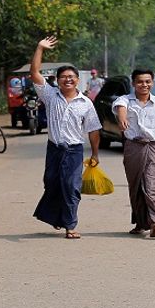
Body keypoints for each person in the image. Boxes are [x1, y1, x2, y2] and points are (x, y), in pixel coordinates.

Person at [29, 36, 102, 239]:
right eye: (63, 77)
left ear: (78, 80)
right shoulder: (50, 95)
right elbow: (34, 72)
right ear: (57, 80)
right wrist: (40, 47)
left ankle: (70, 224)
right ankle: (57, 217)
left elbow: (93, 130)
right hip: (54, 149)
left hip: (74, 150)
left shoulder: (86, 103)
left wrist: (95, 153)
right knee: (51, 184)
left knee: (71, 186)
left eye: (71, 76)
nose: (68, 79)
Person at [113, 69, 155, 238]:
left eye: (148, 81)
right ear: (134, 83)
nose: (144, 85)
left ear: (153, 83)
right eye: (140, 81)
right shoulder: (125, 100)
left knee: (152, 186)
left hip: (154, 147)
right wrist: (122, 118)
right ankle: (141, 223)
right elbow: (120, 108)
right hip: (133, 147)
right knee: (136, 187)